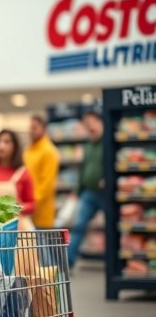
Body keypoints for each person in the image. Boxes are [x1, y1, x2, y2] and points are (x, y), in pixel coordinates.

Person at [68, 110, 104, 268]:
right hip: (88, 193)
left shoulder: (107, 142)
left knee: (113, 227)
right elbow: (83, 169)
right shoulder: (88, 145)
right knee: (78, 226)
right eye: (86, 123)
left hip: (106, 194)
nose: (88, 126)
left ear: (99, 121)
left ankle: (115, 262)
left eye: (91, 122)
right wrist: (77, 190)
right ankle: (68, 262)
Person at [0, 130, 35, 219]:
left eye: (7, 142)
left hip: (17, 228)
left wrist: (18, 208)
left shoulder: (23, 173)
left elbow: (32, 205)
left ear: (15, 147)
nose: (1, 146)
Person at [24, 115, 60, 229]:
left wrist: (32, 203)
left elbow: (47, 184)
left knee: (43, 245)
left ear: (43, 129)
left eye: (34, 128)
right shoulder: (28, 149)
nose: (31, 131)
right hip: (27, 211)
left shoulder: (49, 151)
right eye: (30, 128)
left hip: (41, 212)